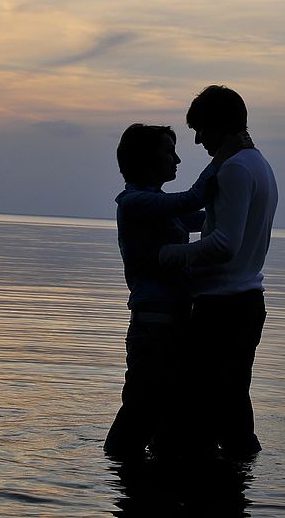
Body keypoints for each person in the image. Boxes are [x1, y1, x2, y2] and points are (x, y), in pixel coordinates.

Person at [104, 123, 245, 460]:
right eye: (170, 151)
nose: (178, 159)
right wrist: (222, 159)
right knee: (141, 406)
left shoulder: (159, 203)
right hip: (154, 326)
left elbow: (205, 218)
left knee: (162, 408)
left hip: (173, 322)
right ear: (146, 158)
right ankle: (119, 469)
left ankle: (145, 481)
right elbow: (195, 198)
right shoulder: (134, 203)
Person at [159, 85, 278, 458]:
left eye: (200, 130)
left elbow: (226, 244)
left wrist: (170, 255)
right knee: (232, 404)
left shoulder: (236, 170)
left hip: (223, 308)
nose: (197, 141)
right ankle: (235, 488)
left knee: (197, 406)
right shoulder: (258, 164)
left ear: (218, 126)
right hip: (245, 303)